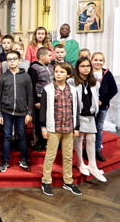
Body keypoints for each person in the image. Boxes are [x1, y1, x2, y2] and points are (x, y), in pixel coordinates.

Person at [40, 63, 82, 197]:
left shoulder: (73, 90)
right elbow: (43, 109)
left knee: (68, 156)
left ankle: (68, 181)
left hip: (69, 127)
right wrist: (43, 127)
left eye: (61, 72)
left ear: (68, 75)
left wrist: (76, 127)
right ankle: (46, 181)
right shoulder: (48, 89)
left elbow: (76, 109)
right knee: (50, 155)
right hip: (54, 127)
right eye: (56, 71)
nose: (58, 74)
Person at [69, 57, 106, 182]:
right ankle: (80, 163)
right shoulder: (72, 81)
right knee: (78, 138)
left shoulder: (94, 81)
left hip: (90, 115)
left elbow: (96, 95)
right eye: (82, 66)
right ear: (77, 68)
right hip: (78, 115)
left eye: (87, 66)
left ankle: (92, 164)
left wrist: (96, 104)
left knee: (92, 138)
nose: (85, 68)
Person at [0, 51, 34, 173]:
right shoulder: (3, 77)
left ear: (19, 60)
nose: (12, 61)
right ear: (6, 62)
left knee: (22, 136)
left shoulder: (26, 77)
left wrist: (29, 113)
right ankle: (5, 160)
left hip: (22, 112)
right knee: (7, 136)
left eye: (14, 59)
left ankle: (24, 159)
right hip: (6, 111)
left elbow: (30, 96)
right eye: (9, 59)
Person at [91, 52, 118, 162]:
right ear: (91, 60)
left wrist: (102, 100)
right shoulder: (88, 72)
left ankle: (97, 150)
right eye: (95, 60)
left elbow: (113, 90)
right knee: (88, 128)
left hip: (102, 106)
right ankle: (87, 150)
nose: (98, 62)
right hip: (89, 106)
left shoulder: (107, 74)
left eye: (100, 60)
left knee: (99, 127)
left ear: (103, 62)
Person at [28, 47, 54, 151]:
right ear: (42, 57)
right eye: (49, 55)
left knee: (48, 121)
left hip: (50, 98)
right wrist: (35, 101)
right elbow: (32, 86)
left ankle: (47, 141)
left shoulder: (51, 67)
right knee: (39, 121)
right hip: (39, 99)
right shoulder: (33, 68)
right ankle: (38, 141)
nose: (51, 57)